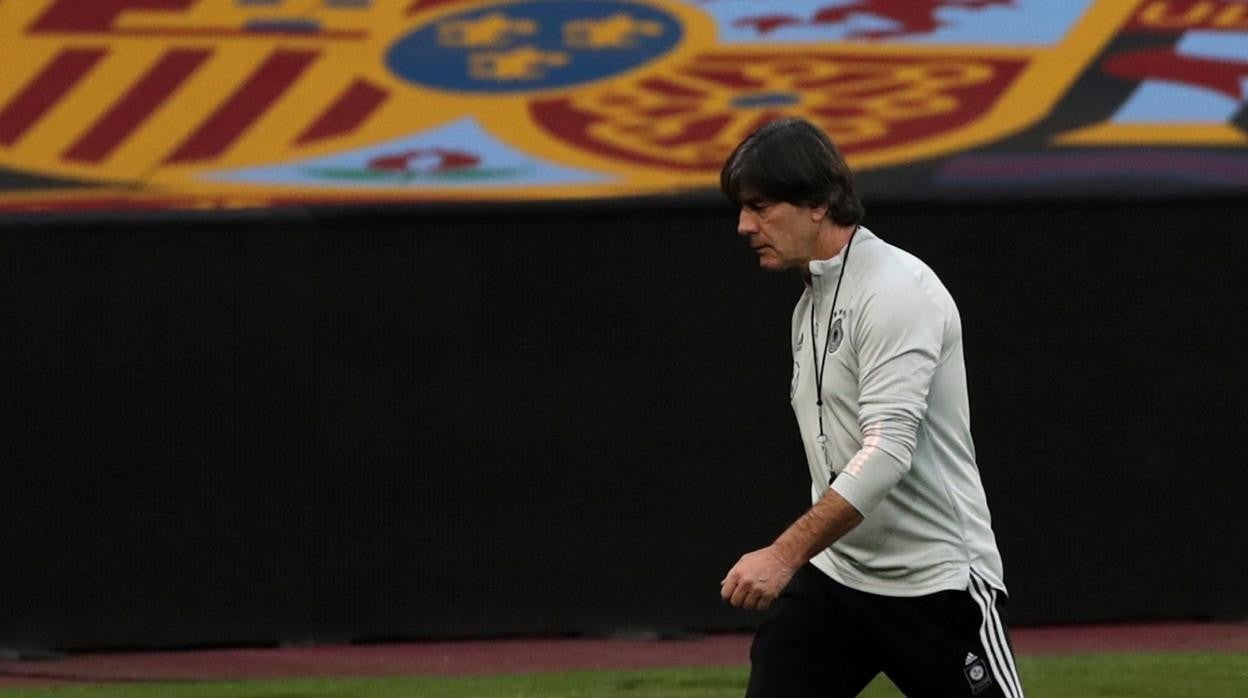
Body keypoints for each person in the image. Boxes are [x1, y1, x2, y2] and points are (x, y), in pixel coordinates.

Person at [717, 117, 1024, 698]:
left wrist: (783, 556)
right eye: (741, 208)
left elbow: (887, 451)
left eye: (759, 206)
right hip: (839, 579)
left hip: (937, 585)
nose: (744, 225)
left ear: (817, 202)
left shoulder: (895, 290)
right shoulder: (811, 300)